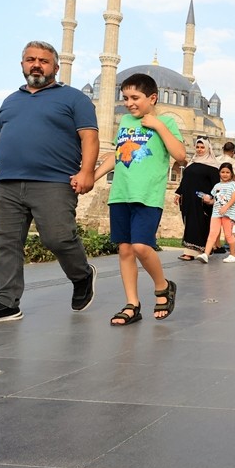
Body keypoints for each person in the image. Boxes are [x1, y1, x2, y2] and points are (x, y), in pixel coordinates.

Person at [0, 41, 99, 325]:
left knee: (57, 238)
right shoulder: (11, 100)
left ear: (56, 67)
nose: (36, 65)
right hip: (8, 184)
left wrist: (87, 172)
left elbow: (89, 136)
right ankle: (6, 302)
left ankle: (81, 274)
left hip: (54, 182)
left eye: (43, 61)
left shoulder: (74, 98)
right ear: (22, 64)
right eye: (30, 59)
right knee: (5, 243)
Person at [90, 73, 186, 324]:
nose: (130, 103)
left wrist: (159, 126)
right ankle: (132, 304)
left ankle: (163, 286)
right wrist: (93, 176)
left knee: (142, 247)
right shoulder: (124, 123)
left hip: (147, 195)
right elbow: (117, 155)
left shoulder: (166, 121)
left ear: (152, 97)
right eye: (125, 98)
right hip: (121, 193)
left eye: (135, 97)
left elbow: (180, 154)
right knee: (124, 249)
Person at [173, 137, 217, 261]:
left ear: (208, 148)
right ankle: (204, 249)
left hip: (202, 201)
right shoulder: (192, 163)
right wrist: (178, 193)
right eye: (197, 147)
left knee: (197, 224)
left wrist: (211, 198)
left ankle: (190, 252)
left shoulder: (213, 166)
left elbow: (216, 184)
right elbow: (185, 181)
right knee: (190, 223)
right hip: (188, 199)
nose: (200, 150)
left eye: (202, 147)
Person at [196, 162, 235, 263]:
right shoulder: (217, 186)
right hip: (216, 213)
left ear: (231, 174)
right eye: (222, 172)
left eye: (227, 172)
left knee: (228, 235)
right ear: (219, 173)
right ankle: (206, 254)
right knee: (212, 233)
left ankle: (234, 254)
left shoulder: (233, 185)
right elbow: (214, 201)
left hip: (228, 214)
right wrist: (208, 201)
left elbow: (234, 197)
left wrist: (226, 207)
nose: (225, 174)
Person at [209, 141, 235, 253]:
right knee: (226, 221)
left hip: (217, 191)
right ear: (233, 152)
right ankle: (229, 250)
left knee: (216, 219)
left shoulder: (217, 159)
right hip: (228, 191)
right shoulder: (233, 162)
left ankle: (215, 244)